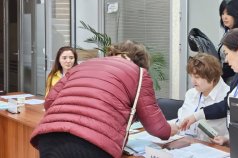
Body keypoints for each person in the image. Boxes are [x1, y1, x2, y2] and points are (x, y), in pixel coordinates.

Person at [31, 40, 176, 158]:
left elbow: (50, 101)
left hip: (49, 138)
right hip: (90, 146)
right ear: (141, 61)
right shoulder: (139, 74)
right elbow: (158, 129)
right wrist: (173, 129)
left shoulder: (82, 66)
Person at [170, 53, 229, 142]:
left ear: (212, 78)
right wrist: (173, 126)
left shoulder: (228, 96)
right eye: (191, 76)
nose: (192, 81)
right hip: (188, 146)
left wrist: (226, 139)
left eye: (197, 77)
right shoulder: (191, 93)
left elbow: (237, 133)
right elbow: (180, 122)